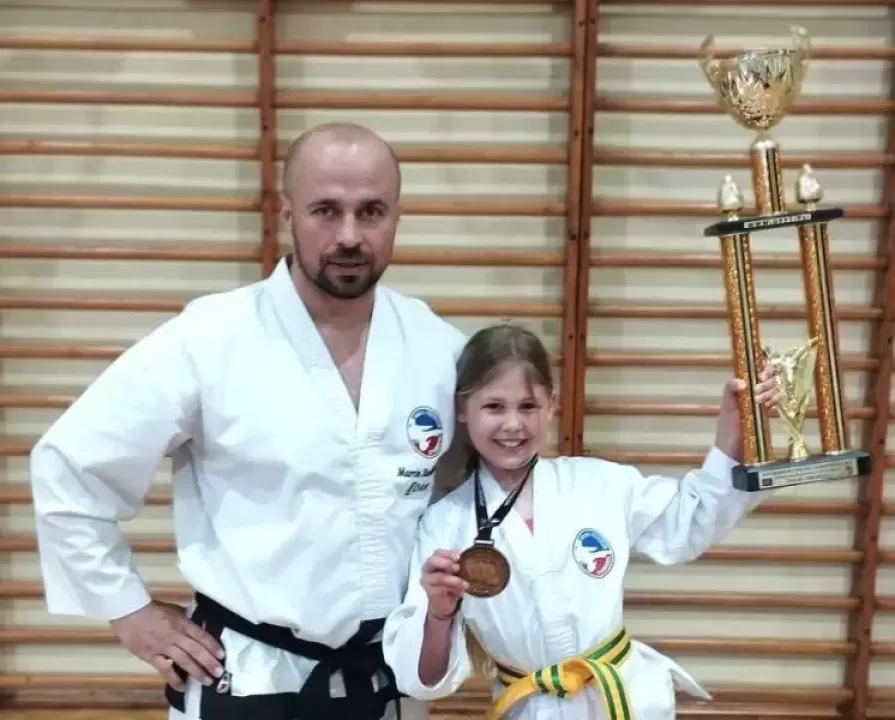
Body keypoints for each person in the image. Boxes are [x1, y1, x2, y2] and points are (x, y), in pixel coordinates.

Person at [28, 122, 468, 720]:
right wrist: (128, 610)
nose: (349, 235)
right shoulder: (211, 338)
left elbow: (478, 508)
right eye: (325, 210)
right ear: (288, 214)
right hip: (246, 674)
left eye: (371, 212)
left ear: (396, 217)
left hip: (387, 678)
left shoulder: (438, 350)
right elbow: (70, 465)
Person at [381, 323, 781, 720]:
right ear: (462, 410)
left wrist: (733, 429)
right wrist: (439, 612)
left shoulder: (600, 484)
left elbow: (692, 520)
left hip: (619, 700)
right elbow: (424, 678)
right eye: (494, 407)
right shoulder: (444, 524)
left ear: (552, 405)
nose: (513, 424)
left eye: (528, 406)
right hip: (528, 708)